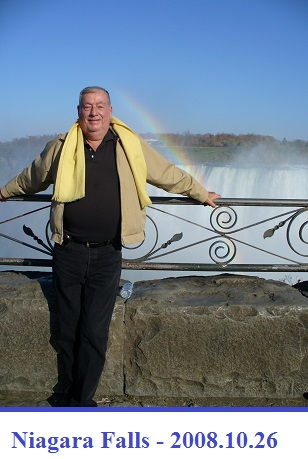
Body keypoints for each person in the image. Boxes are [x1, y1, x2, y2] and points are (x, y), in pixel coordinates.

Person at [0, 86, 221, 406]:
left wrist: (200, 193)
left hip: (107, 252)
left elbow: (166, 173)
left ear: (110, 109)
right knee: (66, 329)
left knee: (93, 330)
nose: (94, 113)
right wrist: (4, 192)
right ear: (78, 111)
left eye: (100, 106)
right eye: (87, 106)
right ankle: (69, 390)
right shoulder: (61, 147)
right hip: (68, 250)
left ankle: (80, 400)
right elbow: (33, 177)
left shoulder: (128, 145)